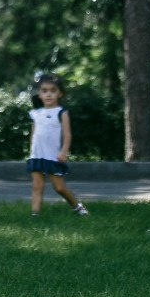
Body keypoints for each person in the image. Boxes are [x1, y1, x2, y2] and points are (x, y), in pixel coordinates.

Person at [27, 73, 89, 216]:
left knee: (59, 187)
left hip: (53, 156)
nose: (48, 94)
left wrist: (64, 151)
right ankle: (35, 214)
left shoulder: (61, 113)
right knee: (37, 185)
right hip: (37, 155)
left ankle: (77, 207)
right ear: (39, 94)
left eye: (52, 91)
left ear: (60, 93)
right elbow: (34, 133)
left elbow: (67, 134)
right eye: (44, 91)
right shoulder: (35, 113)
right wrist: (31, 151)